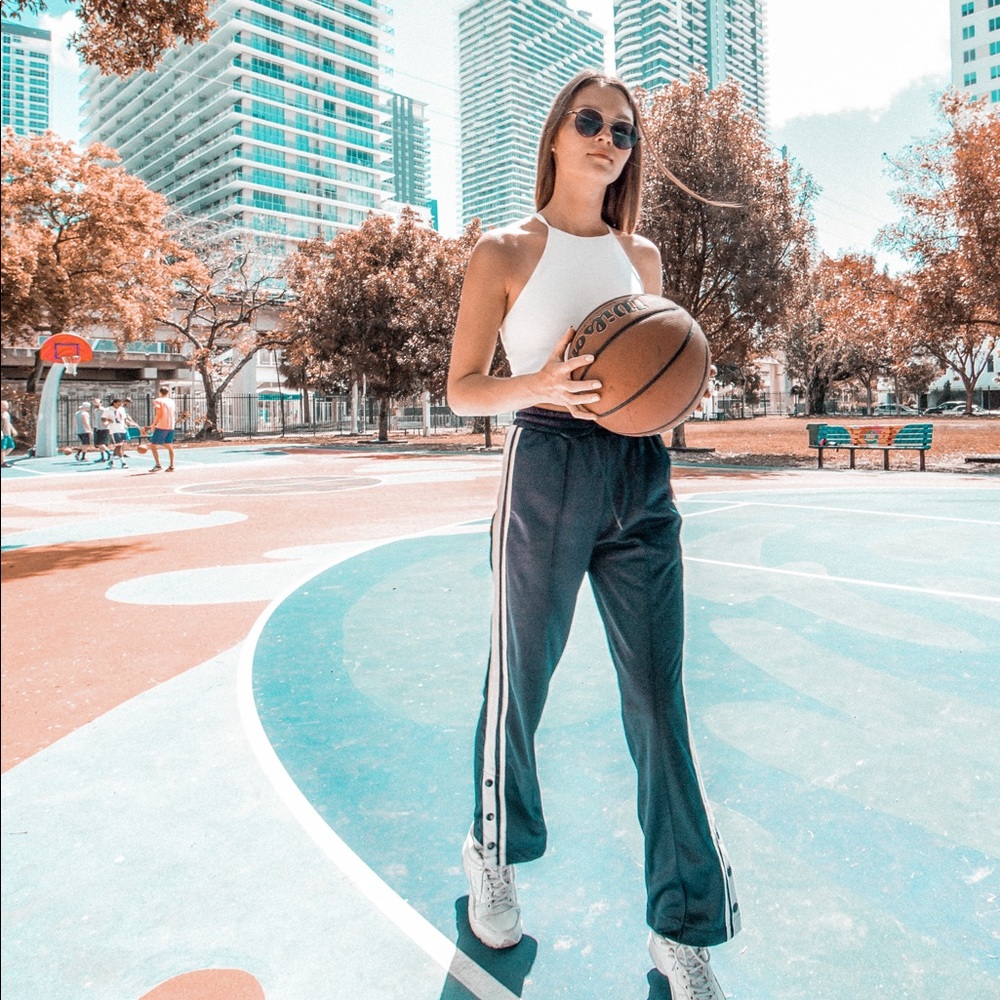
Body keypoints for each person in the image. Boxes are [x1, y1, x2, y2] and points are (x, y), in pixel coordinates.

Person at [446, 70, 739, 1000]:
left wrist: (670, 396)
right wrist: (536, 385)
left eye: (622, 128)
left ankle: (680, 925)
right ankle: (495, 850)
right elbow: (461, 389)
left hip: (637, 471)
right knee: (521, 674)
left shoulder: (641, 258)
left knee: (659, 700)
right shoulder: (502, 250)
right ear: (556, 133)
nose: (608, 138)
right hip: (545, 464)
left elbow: (653, 368)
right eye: (589, 121)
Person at [146, 386, 176, 472]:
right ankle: (171, 466)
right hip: (171, 426)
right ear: (168, 393)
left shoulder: (158, 400)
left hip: (162, 425)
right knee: (169, 446)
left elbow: (159, 413)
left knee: (152, 445)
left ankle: (158, 465)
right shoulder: (171, 401)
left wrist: (153, 424)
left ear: (160, 392)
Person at [106, 398, 129, 469]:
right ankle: (123, 462)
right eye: (118, 403)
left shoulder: (122, 409)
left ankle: (111, 460)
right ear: (114, 403)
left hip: (122, 429)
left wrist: (126, 425)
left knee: (119, 446)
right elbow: (105, 419)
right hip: (114, 430)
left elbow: (124, 419)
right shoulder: (108, 410)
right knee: (118, 446)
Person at [92, 397, 112, 463]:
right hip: (98, 428)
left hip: (104, 429)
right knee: (99, 444)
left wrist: (107, 423)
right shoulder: (95, 411)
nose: (95, 403)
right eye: (94, 402)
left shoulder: (104, 410)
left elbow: (111, 418)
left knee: (101, 444)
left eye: (96, 402)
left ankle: (109, 453)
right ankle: (102, 457)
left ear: (100, 403)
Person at [1, 400, 16, 468]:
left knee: (11, 446)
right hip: (2, 434)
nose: (5, 408)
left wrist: (13, 430)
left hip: (8, 433)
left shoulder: (6, 414)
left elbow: (9, 423)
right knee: (3, 448)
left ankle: (2, 458)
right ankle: (2, 462)